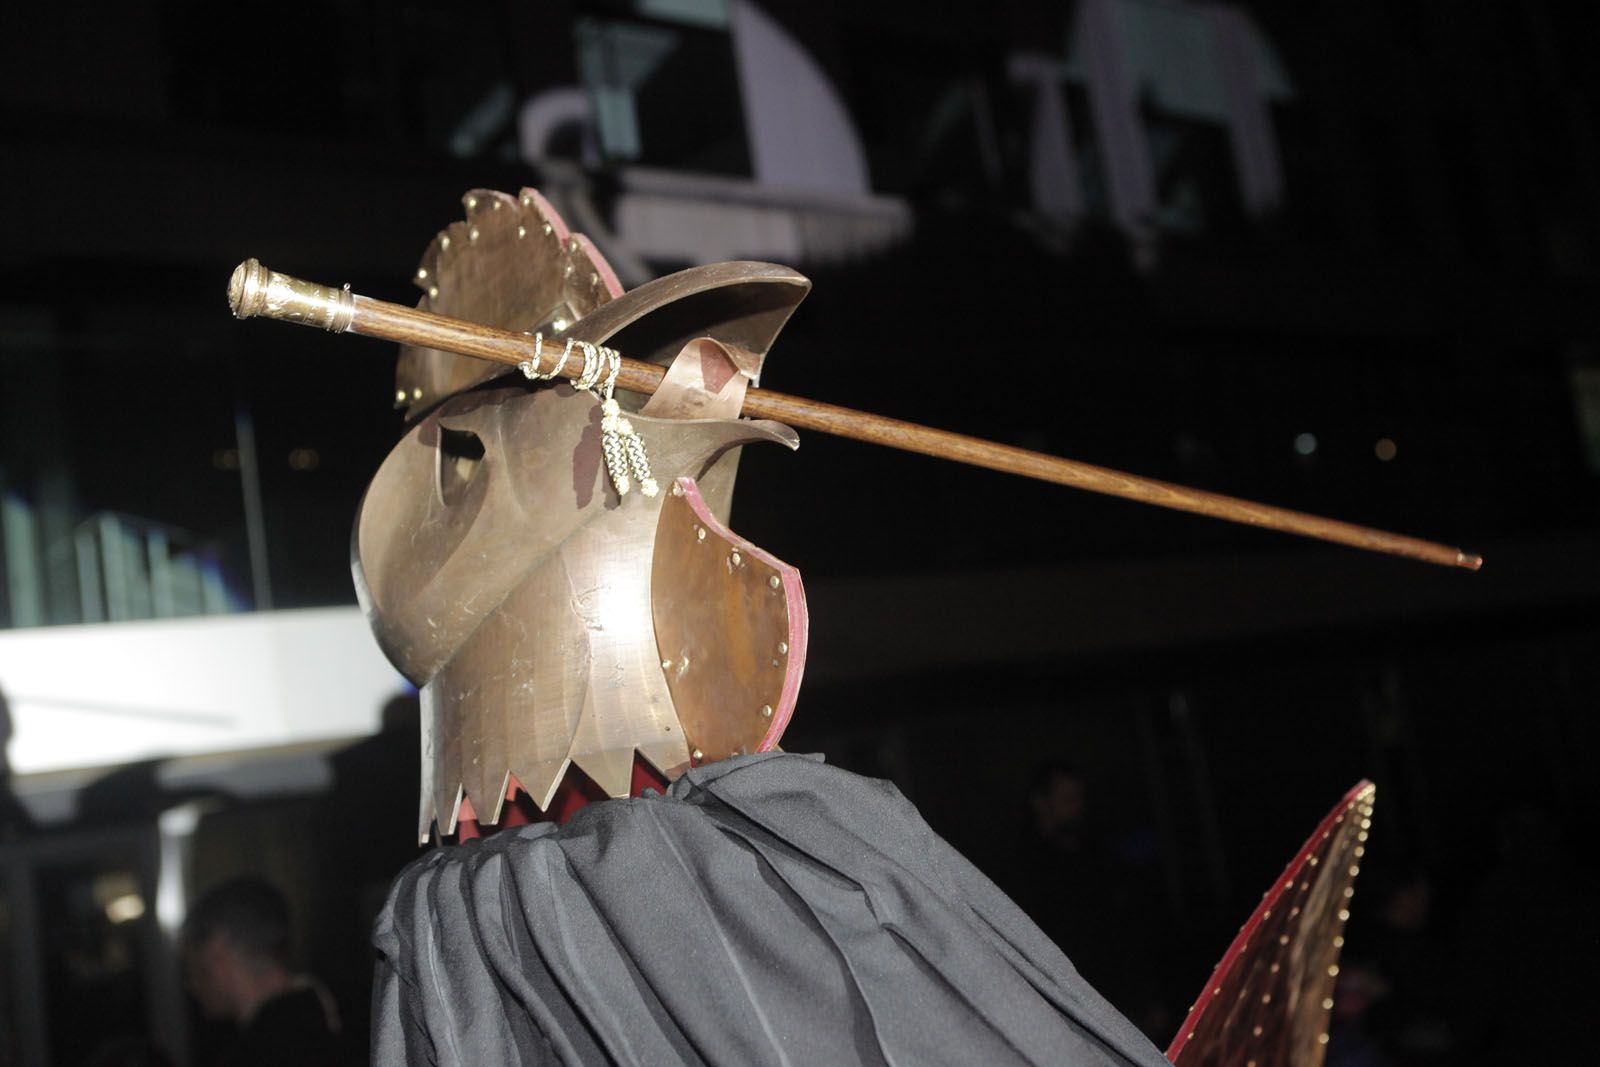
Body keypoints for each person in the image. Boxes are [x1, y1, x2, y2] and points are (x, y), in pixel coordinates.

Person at [180, 877, 344, 1067]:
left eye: (190, 963)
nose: (189, 983)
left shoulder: (257, 1054)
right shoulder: (332, 1023)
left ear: (217, 953)